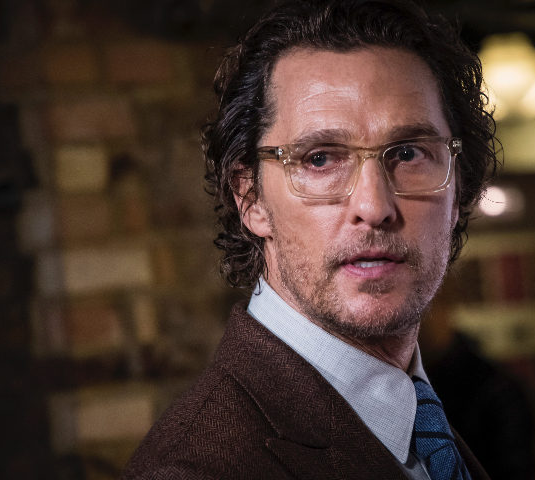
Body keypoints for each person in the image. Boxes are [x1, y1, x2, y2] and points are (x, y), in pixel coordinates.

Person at [123, 0, 499, 478]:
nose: (375, 206)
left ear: (458, 182)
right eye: (320, 159)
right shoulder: (198, 468)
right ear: (251, 199)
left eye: (408, 152)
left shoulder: (422, 416)